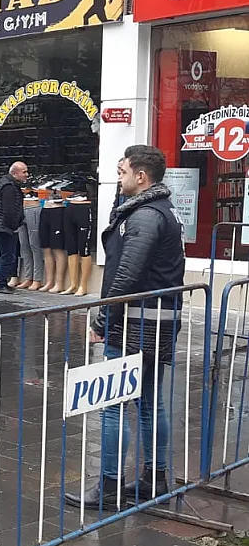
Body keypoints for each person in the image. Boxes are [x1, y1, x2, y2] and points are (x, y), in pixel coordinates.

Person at [65, 145, 183, 510]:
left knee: (114, 405)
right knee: (149, 402)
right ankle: (155, 479)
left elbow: (127, 275)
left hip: (136, 323)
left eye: (122, 172)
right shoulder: (162, 211)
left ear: (141, 177)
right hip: (157, 320)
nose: (119, 179)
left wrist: (104, 318)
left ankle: (110, 486)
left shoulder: (145, 216)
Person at [0, 162, 28, 294]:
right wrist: (14, 226)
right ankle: (1, 284)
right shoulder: (9, 187)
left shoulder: (6, 183)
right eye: (24, 172)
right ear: (15, 173)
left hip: (0, 225)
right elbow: (9, 210)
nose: (27, 175)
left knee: (7, 255)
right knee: (7, 256)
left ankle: (2, 282)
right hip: (4, 227)